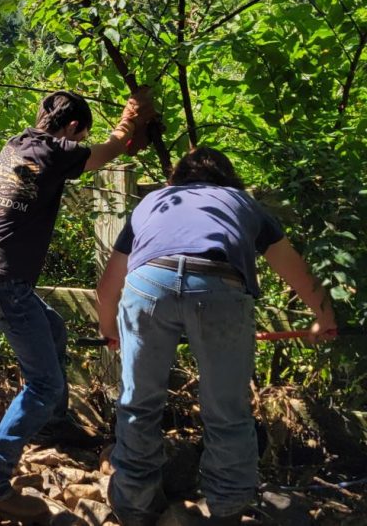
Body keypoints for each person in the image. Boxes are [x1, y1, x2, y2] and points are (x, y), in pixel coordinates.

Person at [97, 147, 337, 526]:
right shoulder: (242, 201)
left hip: (147, 288)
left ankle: (134, 504)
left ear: (175, 179)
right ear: (228, 178)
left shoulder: (154, 201)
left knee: (138, 404)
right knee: (226, 410)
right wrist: (324, 316)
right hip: (219, 285)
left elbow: (110, 282)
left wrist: (109, 328)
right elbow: (290, 264)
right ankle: (226, 509)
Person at [0, 89, 156, 521]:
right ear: (71, 129)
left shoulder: (15, 145)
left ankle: (51, 424)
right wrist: (131, 116)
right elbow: (111, 150)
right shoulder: (57, 150)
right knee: (42, 385)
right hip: (1, 282)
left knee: (54, 328)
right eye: (82, 134)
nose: (81, 142)